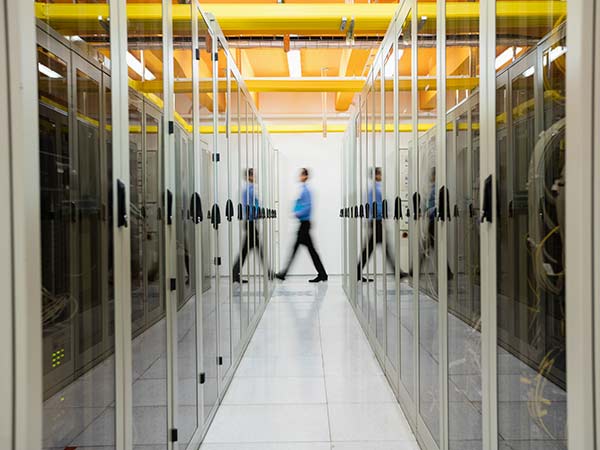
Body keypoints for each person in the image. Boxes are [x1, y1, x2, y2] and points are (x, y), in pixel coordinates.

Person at [276, 168, 328, 283]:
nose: (299, 177)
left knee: (296, 249)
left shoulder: (306, 191)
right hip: (304, 224)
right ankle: (323, 274)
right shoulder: (303, 190)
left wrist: (296, 213)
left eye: (301, 175)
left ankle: (284, 273)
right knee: (311, 251)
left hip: (304, 224)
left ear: (305, 176)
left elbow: (308, 207)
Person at [357, 167, 406, 282]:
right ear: (375, 176)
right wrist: (382, 215)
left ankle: (397, 272)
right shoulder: (375, 190)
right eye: (379, 174)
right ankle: (397, 272)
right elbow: (374, 206)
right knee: (372, 249)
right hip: (376, 222)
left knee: (377, 249)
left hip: (376, 221)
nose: (381, 176)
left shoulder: (376, 189)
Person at [232, 168, 269, 283]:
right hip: (250, 222)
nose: (255, 177)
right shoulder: (249, 190)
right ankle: (268, 272)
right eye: (253, 175)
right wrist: (258, 213)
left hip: (251, 222)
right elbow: (249, 207)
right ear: (249, 177)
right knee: (253, 249)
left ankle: (235, 273)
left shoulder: (251, 189)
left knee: (248, 250)